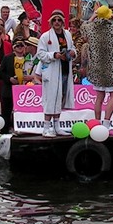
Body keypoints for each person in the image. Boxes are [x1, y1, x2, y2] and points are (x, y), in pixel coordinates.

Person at [35, 9, 75, 137]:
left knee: (61, 97)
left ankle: (57, 126)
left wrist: (74, 53)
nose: (57, 22)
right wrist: (54, 55)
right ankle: (46, 127)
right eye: (54, 20)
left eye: (59, 20)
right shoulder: (45, 36)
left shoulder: (67, 34)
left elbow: (72, 47)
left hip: (65, 70)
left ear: (63, 22)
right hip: (52, 71)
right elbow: (40, 54)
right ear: (51, 22)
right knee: (50, 98)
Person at [0, 36, 36, 128]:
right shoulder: (7, 58)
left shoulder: (28, 58)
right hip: (9, 90)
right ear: (14, 47)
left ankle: (21, 128)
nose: (20, 47)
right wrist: (10, 79)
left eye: (22, 45)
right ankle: (5, 129)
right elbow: (1, 73)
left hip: (24, 90)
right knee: (6, 112)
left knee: (22, 112)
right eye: (17, 46)